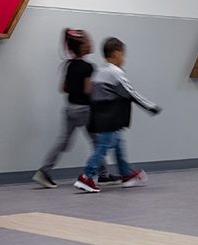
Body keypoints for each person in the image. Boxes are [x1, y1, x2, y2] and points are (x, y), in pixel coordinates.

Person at [75, 37, 161, 194]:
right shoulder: (115, 72)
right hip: (109, 118)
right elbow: (131, 93)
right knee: (103, 147)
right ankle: (86, 176)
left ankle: (126, 174)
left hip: (100, 117)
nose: (124, 58)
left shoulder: (99, 71)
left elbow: (91, 93)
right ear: (116, 54)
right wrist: (150, 106)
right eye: (123, 54)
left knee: (118, 143)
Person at [33, 29, 97, 189]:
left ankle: (44, 170)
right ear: (82, 47)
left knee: (63, 142)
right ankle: (102, 174)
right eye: (88, 41)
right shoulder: (89, 67)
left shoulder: (69, 65)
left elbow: (63, 87)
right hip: (84, 110)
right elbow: (88, 90)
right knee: (98, 142)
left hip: (69, 109)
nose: (91, 43)